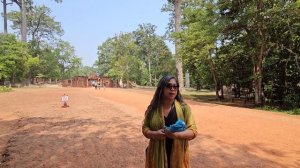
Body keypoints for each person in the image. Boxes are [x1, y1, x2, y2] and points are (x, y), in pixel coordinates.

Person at [142, 75, 197, 168]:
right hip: (156, 155)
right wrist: (154, 134)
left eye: (175, 86)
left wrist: (176, 135)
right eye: (168, 86)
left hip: (178, 157)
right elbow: (145, 127)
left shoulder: (184, 109)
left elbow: (193, 131)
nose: (172, 89)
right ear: (161, 88)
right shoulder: (153, 109)